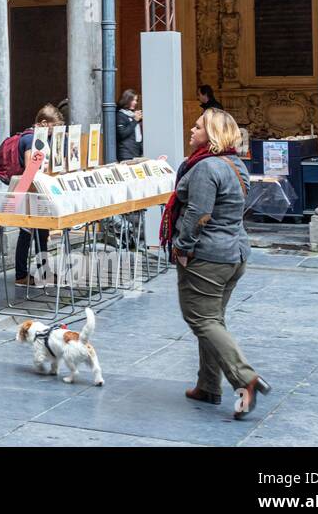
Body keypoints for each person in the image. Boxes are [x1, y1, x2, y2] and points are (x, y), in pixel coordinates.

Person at [160, 107, 270, 420]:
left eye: (197, 127)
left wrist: (181, 248)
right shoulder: (235, 164)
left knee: (201, 319)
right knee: (212, 320)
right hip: (233, 254)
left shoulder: (207, 167)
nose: (191, 131)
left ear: (212, 135)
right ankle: (208, 385)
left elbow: (198, 213)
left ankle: (244, 378)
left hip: (207, 257)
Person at [0, 104, 64, 286]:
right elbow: (30, 170)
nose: (53, 132)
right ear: (43, 123)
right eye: (53, 127)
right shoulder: (30, 140)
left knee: (41, 232)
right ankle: (21, 275)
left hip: (36, 193)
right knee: (26, 233)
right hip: (27, 193)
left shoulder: (38, 139)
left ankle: (44, 272)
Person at [115, 89, 143, 160]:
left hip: (135, 153)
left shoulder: (132, 115)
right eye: (133, 100)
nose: (135, 102)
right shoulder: (120, 115)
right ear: (126, 100)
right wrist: (135, 120)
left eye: (136, 100)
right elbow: (122, 134)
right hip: (126, 155)